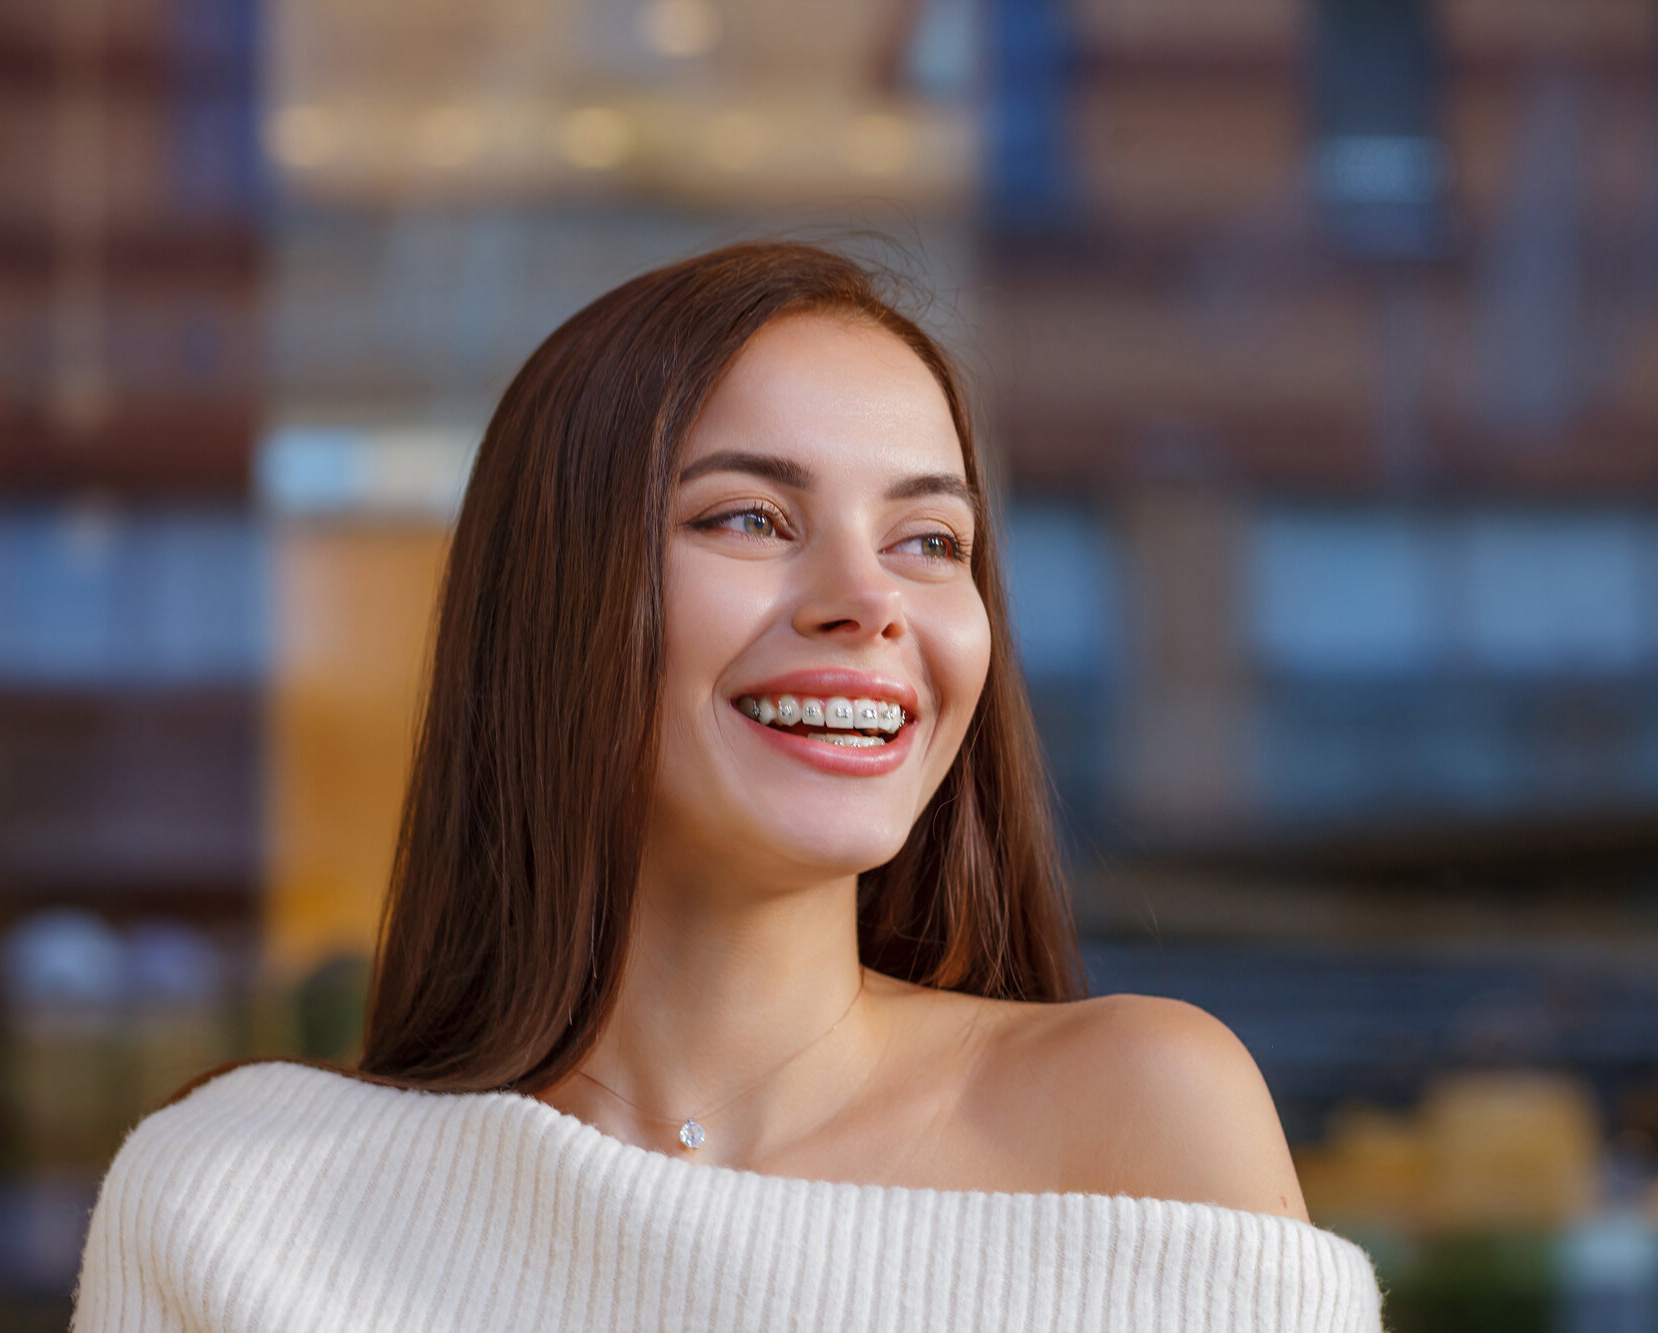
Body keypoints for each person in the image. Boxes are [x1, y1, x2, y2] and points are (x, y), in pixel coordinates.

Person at [70, 242, 1386, 1331]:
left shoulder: (1144, 1112)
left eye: (930, 541)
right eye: (749, 517)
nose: (870, 604)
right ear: (554, 601)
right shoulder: (237, 1202)